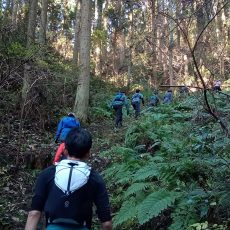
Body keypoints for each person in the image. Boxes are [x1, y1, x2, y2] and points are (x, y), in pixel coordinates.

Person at [25, 127, 112, 230]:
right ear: (88, 153)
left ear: (65, 151)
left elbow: (34, 214)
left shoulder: (47, 174)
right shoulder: (95, 179)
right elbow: (106, 223)